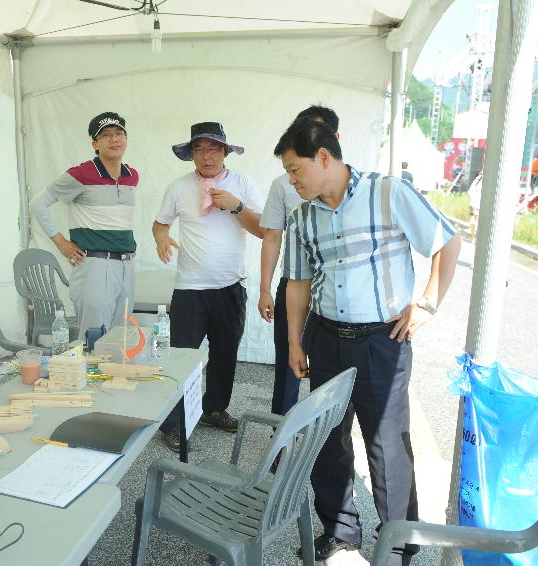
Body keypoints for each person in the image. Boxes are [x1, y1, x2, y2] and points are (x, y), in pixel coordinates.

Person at [276, 118, 460, 565]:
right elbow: (298, 283)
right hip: (324, 338)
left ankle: (398, 543)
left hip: (382, 340)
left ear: (323, 156)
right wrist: (295, 342)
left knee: (386, 445)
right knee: (326, 439)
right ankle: (340, 532)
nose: (292, 180)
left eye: (296, 169)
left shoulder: (387, 193)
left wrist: (427, 305)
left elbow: (446, 242)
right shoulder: (302, 217)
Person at [153, 122, 264, 451]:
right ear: (191, 154)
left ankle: (214, 408)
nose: (206, 156)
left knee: (225, 354)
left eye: (213, 148)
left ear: (225, 152)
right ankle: (174, 423)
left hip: (231, 286)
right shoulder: (178, 187)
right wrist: (161, 238)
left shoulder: (242, 183)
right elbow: (160, 223)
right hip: (189, 288)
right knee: (182, 358)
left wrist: (236, 205)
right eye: (199, 149)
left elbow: (263, 229)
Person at [258, 105, 339, 418]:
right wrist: (265, 288)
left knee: (330, 372)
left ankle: (325, 440)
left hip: (331, 291)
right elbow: (271, 236)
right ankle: (281, 434)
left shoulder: (350, 185)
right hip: (293, 285)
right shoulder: (284, 184)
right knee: (289, 363)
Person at [30, 112, 139, 338]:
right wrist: (61, 243)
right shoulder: (82, 173)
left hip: (126, 264)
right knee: (94, 340)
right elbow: (38, 204)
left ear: (126, 139)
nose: (114, 139)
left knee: (120, 338)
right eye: (106, 135)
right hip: (96, 264)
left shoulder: (132, 175)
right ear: (95, 144)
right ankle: (86, 374)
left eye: (119, 134)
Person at [468, 171, 483, 240]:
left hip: (472, 203)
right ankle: (474, 237)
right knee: (476, 220)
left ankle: (472, 236)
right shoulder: (483, 182)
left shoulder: (476, 181)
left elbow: (469, 191)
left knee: (472, 219)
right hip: (478, 204)